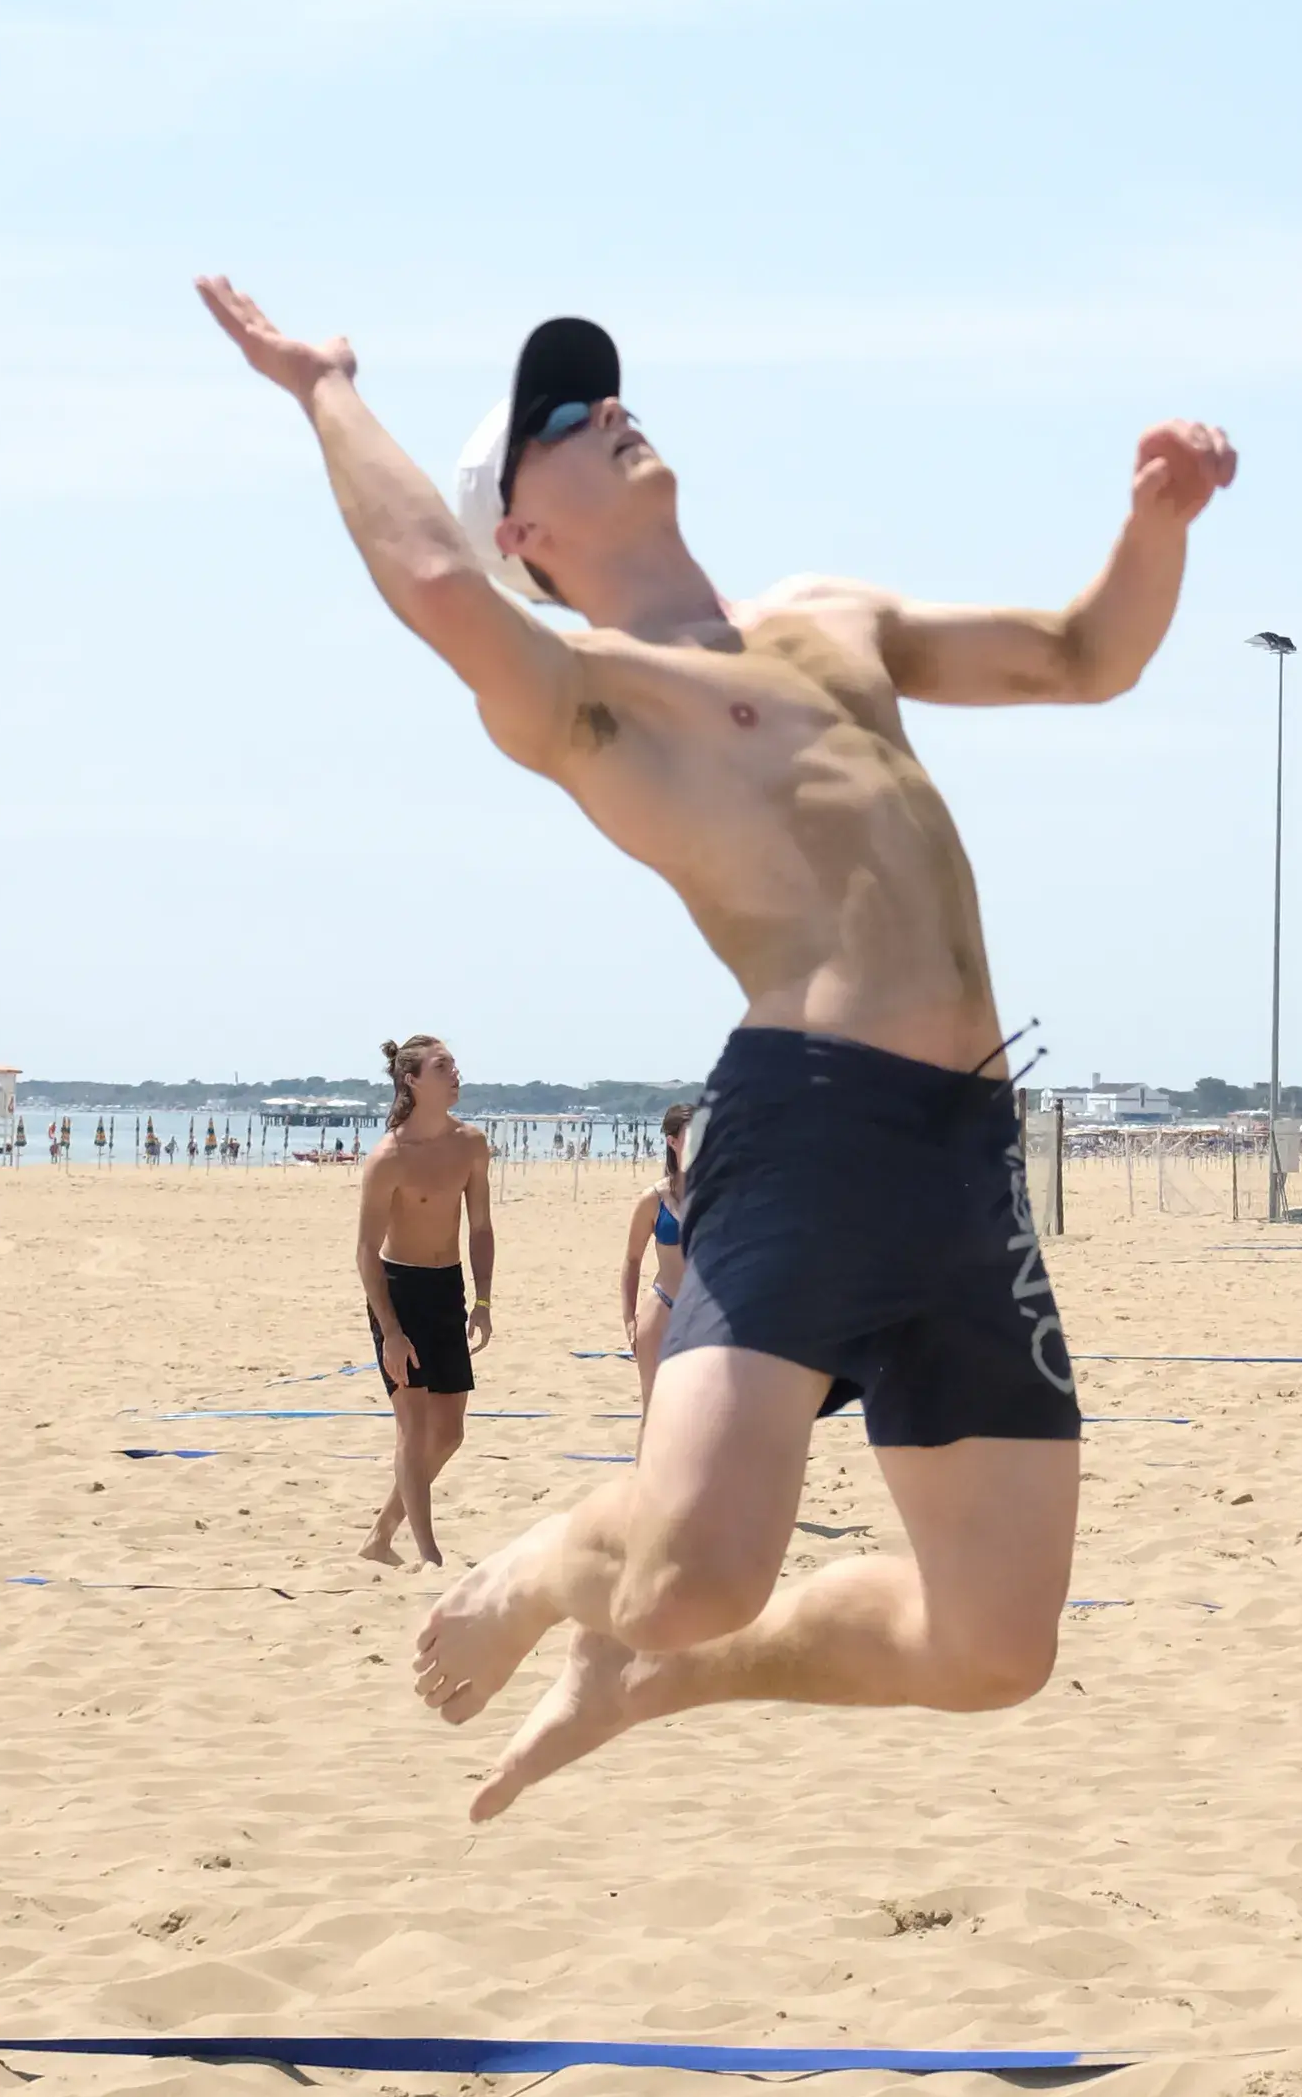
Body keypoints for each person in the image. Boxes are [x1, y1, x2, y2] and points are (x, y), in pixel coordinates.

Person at [195, 278, 1234, 1814]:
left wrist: (1160, 522)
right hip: (809, 1125)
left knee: (997, 1642)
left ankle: (665, 1683)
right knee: (692, 1568)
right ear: (526, 538)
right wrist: (326, 386)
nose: (603, 411)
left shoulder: (833, 614)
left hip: (966, 1156)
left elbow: (1087, 654)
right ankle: (560, 1564)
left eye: (602, 393)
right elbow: (425, 577)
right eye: (559, 418)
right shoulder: (595, 700)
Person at [356, 1034, 496, 1568]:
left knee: (450, 1432)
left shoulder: (471, 1144)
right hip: (398, 1291)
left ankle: (380, 1535)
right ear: (412, 1080)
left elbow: (480, 1227)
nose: (456, 1073)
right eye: (444, 1067)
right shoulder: (388, 1158)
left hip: (448, 1288)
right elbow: (366, 1251)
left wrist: (483, 1300)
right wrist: (390, 1329)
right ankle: (428, 1554)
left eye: (454, 1065)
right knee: (413, 1432)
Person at [619, 1099, 695, 1413]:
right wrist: (629, 1319)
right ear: (673, 1141)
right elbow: (632, 1259)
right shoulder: (654, 1199)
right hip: (661, 1307)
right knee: (656, 1411)